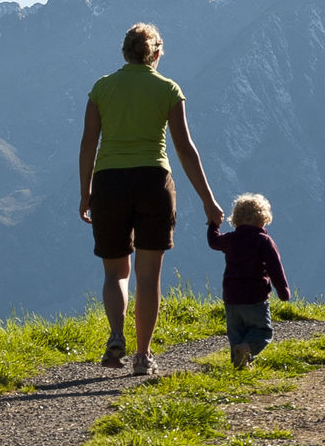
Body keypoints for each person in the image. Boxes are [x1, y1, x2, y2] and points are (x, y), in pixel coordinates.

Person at [79, 22, 223, 376]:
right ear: (156, 53)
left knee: (115, 272)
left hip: (109, 183)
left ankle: (116, 335)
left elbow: (88, 144)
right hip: (154, 182)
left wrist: (86, 192)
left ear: (124, 51)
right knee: (148, 276)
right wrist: (208, 200)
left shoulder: (102, 88)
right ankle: (143, 356)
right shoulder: (168, 90)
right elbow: (185, 149)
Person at [206, 192, 291, 370]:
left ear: (236, 219)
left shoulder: (231, 238)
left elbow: (214, 242)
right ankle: (247, 350)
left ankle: (241, 364)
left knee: (236, 333)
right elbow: (275, 268)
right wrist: (283, 291)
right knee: (262, 332)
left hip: (231, 298)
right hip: (255, 298)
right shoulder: (263, 240)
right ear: (263, 218)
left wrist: (213, 224)